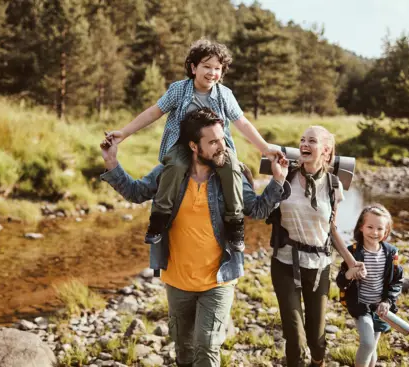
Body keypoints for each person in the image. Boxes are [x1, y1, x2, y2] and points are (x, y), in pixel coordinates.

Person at [100, 107, 290, 367]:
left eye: (222, 139)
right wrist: (112, 162)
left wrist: (277, 182)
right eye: (212, 142)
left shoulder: (229, 176)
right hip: (178, 281)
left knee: (207, 345)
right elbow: (136, 193)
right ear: (193, 145)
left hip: (219, 280)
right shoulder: (170, 173)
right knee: (184, 350)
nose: (220, 147)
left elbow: (256, 209)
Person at [102, 39, 283, 253]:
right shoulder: (179, 90)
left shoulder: (224, 95)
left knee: (232, 166)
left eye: (217, 68)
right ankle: (159, 217)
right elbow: (154, 112)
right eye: (207, 66)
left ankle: (235, 223)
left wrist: (264, 148)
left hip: (218, 151)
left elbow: (241, 122)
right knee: (176, 166)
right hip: (181, 146)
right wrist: (123, 133)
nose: (212, 73)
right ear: (193, 67)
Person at [266, 125, 366, 367]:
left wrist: (352, 263)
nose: (304, 144)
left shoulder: (334, 186)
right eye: (302, 140)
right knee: (294, 337)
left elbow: (331, 229)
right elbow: (263, 208)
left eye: (311, 141)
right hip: (284, 262)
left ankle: (317, 362)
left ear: (326, 151)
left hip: (319, 266)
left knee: (317, 338)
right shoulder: (286, 176)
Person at [336, 204, 404, 367]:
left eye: (380, 228)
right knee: (367, 343)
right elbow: (340, 282)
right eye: (370, 227)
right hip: (361, 306)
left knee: (372, 346)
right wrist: (349, 274)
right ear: (361, 227)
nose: (375, 232)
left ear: (386, 230)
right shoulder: (352, 252)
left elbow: (396, 281)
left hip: (381, 308)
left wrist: (387, 301)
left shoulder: (391, 254)